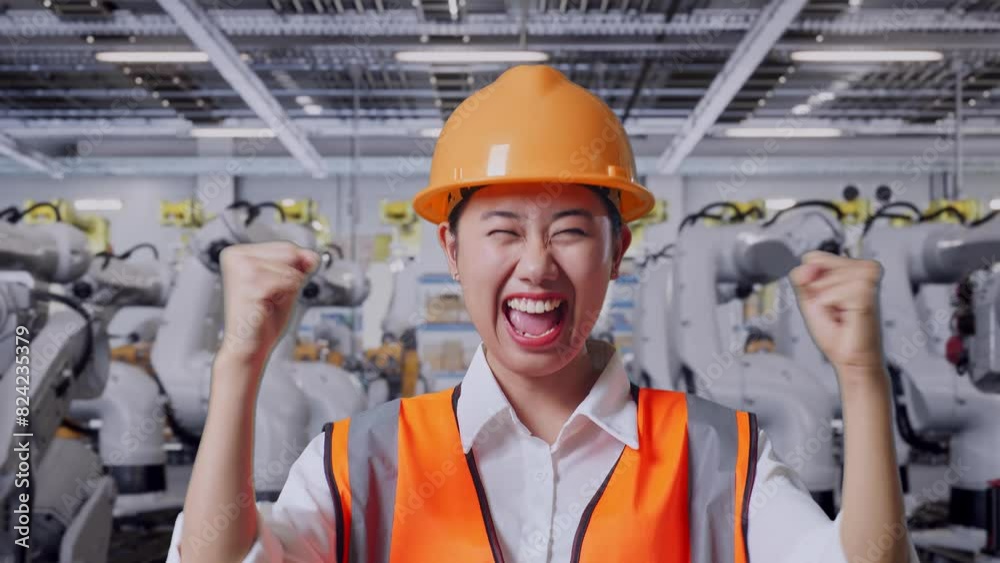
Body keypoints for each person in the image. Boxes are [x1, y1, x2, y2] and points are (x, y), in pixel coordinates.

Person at [167, 65, 915, 563]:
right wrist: (238, 363)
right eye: (502, 231)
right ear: (451, 249)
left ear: (617, 249)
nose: (535, 264)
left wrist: (861, 376)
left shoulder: (718, 453)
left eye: (569, 231)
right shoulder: (361, 459)